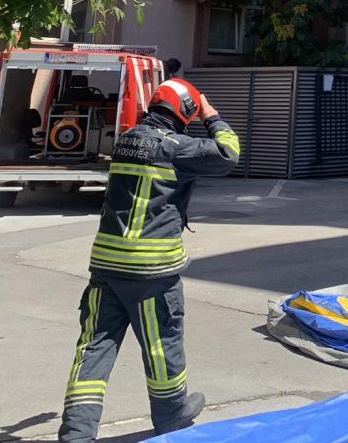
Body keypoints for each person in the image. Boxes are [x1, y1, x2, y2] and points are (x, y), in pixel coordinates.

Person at [58, 78, 240, 443]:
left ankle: (76, 433)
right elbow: (228, 153)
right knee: (161, 344)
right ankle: (172, 416)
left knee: (94, 347)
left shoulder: (126, 140)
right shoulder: (176, 147)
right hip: (151, 270)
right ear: (185, 110)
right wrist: (211, 115)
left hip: (106, 266)